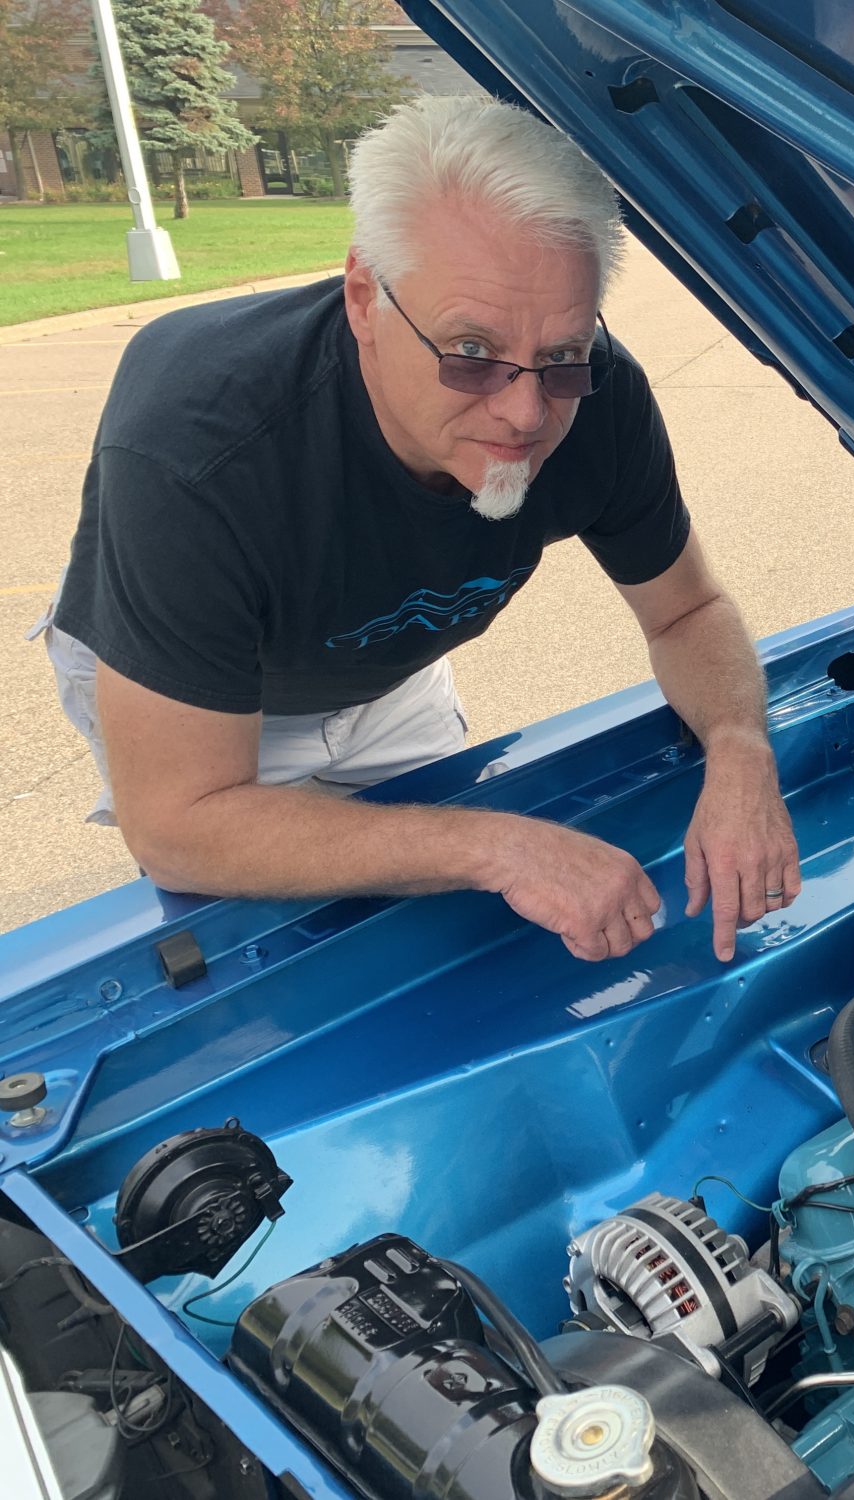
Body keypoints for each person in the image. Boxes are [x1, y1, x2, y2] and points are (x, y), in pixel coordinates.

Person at [35, 95, 798, 964]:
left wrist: (739, 749)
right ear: (365, 296)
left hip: (388, 657)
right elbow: (181, 820)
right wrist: (498, 844)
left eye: (560, 357)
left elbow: (686, 613)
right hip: (201, 690)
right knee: (261, 956)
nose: (523, 414)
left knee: (426, 936)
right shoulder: (199, 446)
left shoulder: (599, 396)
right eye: (470, 352)